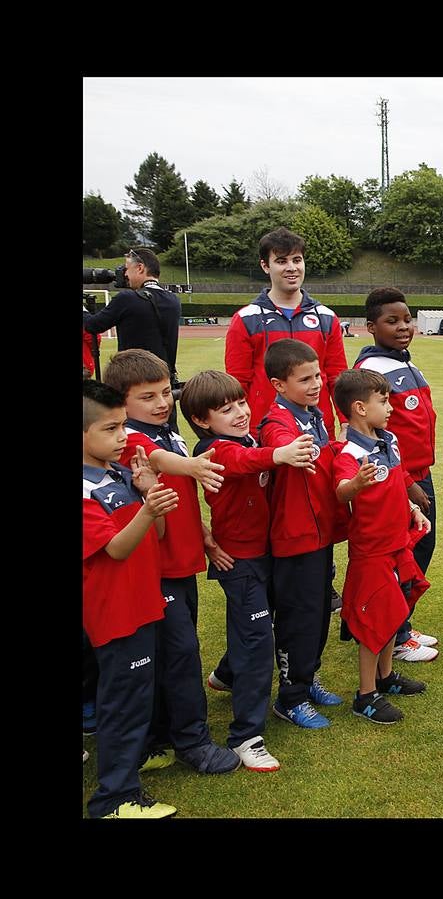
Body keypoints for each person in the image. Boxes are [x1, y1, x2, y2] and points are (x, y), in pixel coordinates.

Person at [103, 350, 241, 776]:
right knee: (181, 655)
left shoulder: (169, 432)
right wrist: (197, 464)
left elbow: (180, 496)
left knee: (173, 653)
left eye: (165, 392)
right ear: (121, 402)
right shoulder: (129, 439)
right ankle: (192, 741)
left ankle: (159, 733)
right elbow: (163, 465)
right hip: (155, 571)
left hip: (182, 565)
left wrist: (203, 536)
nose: (162, 403)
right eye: (147, 397)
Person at [181, 370, 317, 772]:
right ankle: (246, 736)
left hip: (263, 554)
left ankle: (225, 674)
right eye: (227, 409)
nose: (240, 412)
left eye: (241, 403)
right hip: (239, 562)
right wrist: (280, 454)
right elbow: (244, 462)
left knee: (252, 627)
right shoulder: (215, 450)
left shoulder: (247, 437)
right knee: (258, 642)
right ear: (203, 421)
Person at [82, 379, 179, 817]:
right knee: (122, 704)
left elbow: (154, 537)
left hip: (143, 603)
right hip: (116, 614)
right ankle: (114, 799)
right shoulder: (85, 490)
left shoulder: (119, 473)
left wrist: (145, 492)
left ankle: (128, 775)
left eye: (123, 425)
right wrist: (148, 507)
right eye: (110, 429)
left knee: (133, 697)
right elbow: (117, 548)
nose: (123, 437)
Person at [332, 368, 432, 723]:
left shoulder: (387, 440)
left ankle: (386, 677)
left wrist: (412, 509)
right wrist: (356, 484)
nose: (390, 407)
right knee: (373, 622)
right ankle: (365, 695)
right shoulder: (349, 453)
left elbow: (393, 486)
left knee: (393, 614)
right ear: (359, 408)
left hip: (396, 544)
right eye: (383, 401)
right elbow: (342, 489)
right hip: (371, 552)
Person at [258, 338, 346, 728]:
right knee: (297, 616)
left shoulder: (314, 415)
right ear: (279, 385)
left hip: (320, 533)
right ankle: (290, 697)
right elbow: (279, 443)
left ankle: (308, 679)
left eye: (318, 375)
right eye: (305, 378)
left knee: (319, 611)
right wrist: (289, 450)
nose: (316, 384)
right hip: (295, 538)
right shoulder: (277, 420)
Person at [354, 288, 439, 660]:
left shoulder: (404, 363)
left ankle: (399, 625)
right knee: (405, 553)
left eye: (407, 319)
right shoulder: (371, 371)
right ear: (371, 327)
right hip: (401, 477)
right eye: (393, 321)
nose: (404, 327)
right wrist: (405, 484)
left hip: (418, 471)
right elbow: (370, 436)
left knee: (419, 546)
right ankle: (396, 633)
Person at [225, 227, 349, 440]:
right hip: (265, 430)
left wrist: (346, 422)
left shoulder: (326, 317)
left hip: (318, 430)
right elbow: (237, 383)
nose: (291, 268)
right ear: (265, 266)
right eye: (281, 261)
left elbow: (337, 377)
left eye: (297, 260)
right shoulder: (246, 319)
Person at [82, 248, 181, 380]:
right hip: (163, 378)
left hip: (133, 379)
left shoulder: (127, 299)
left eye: (127, 269)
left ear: (140, 268)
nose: (125, 275)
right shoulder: (173, 300)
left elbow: (92, 325)